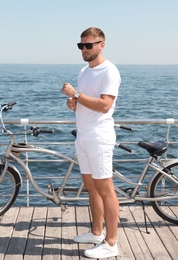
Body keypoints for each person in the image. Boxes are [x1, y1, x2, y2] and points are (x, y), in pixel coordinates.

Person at [61, 27, 121, 259]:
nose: (84, 49)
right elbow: (87, 101)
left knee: (106, 190)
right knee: (91, 187)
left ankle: (111, 243)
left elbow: (105, 105)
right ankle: (97, 232)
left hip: (99, 136)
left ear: (101, 45)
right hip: (83, 135)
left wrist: (76, 95)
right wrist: (74, 103)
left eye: (89, 45)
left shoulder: (110, 71)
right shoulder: (84, 71)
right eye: (81, 45)